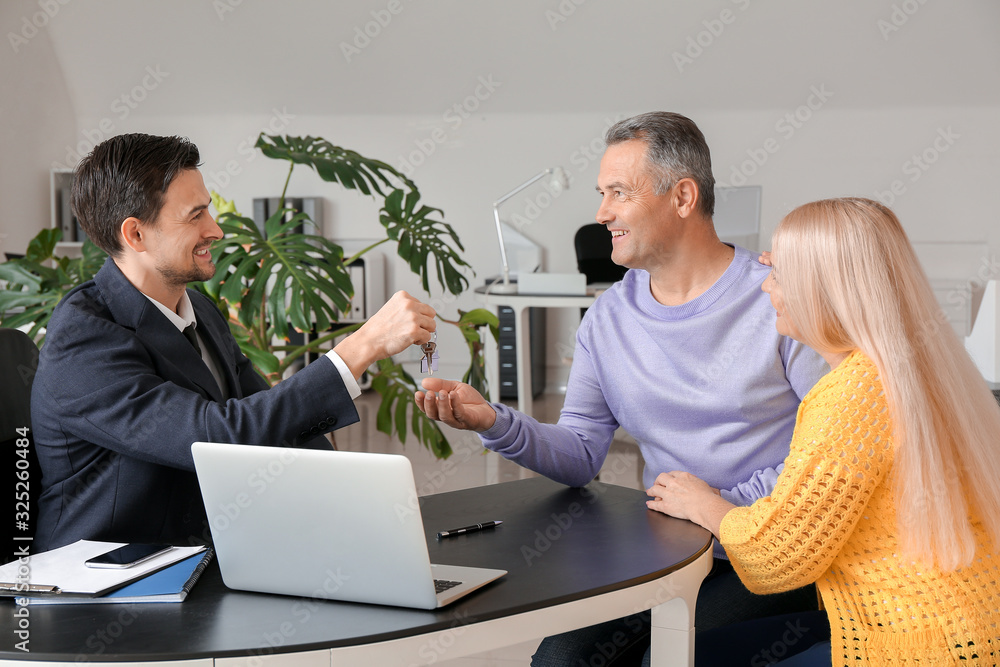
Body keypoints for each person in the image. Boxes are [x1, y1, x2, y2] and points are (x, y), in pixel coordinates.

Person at [414, 112, 830, 664]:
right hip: (669, 548)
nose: (601, 213)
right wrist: (494, 421)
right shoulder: (608, 317)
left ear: (683, 197)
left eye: (618, 193)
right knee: (557, 663)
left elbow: (827, 451)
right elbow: (581, 452)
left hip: (769, 550)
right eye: (601, 193)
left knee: (666, 657)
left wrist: (717, 507)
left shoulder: (780, 298)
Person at [32, 133, 436, 552]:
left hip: (200, 558)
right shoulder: (83, 339)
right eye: (196, 216)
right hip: (103, 584)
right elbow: (218, 439)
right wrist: (362, 345)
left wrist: (363, 504)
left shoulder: (199, 311)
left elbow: (274, 425)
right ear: (135, 235)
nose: (216, 230)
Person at [649, 197, 1000, 665]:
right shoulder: (920, 367)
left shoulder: (851, 397)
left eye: (778, 275)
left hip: (912, 644)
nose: (766, 288)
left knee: (670, 658)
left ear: (822, 291)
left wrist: (702, 503)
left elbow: (777, 557)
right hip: (967, 625)